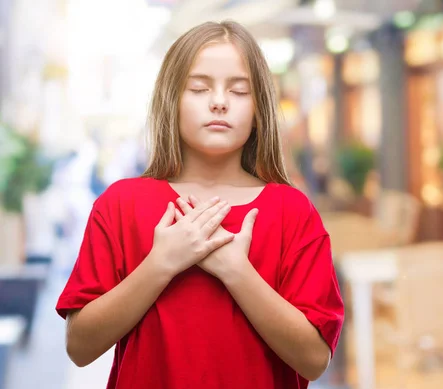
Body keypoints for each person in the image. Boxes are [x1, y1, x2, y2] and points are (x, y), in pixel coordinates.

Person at [55, 20, 344, 389]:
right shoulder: (120, 204)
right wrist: (162, 263)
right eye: (199, 88)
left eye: (239, 91)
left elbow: (315, 359)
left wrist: (237, 271)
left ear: (259, 111)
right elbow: (79, 347)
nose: (219, 101)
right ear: (171, 101)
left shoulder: (293, 211)